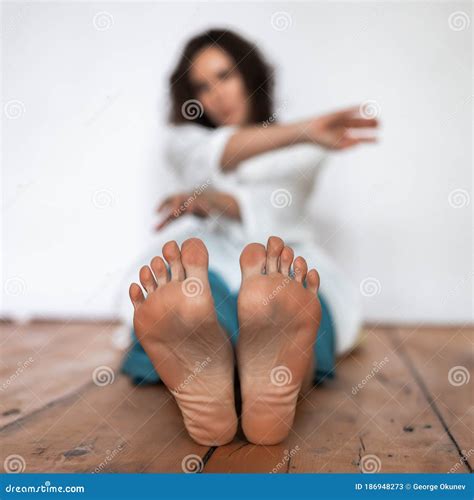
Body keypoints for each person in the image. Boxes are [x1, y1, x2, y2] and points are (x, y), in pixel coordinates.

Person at [122, 29, 379, 446]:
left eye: (225, 76)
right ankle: (233, 366)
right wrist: (306, 129)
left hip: (284, 260)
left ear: (250, 75)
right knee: (192, 303)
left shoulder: (304, 147)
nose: (217, 95)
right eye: (202, 87)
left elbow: (274, 206)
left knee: (289, 305)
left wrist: (208, 198)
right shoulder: (184, 140)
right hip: (209, 261)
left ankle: (238, 365)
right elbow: (215, 154)